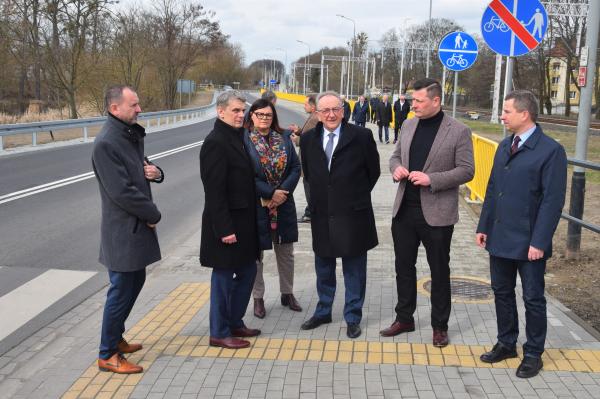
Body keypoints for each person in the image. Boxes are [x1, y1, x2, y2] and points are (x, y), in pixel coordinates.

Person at [476, 90, 567, 379]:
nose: (501, 115)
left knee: (532, 298)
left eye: (506, 111)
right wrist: (483, 225)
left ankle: (533, 353)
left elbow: (553, 202)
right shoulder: (505, 145)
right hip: (500, 235)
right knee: (501, 292)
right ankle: (506, 343)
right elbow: (493, 190)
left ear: (524, 114)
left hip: (530, 242)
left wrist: (539, 242)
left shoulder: (551, 150)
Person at [384, 78, 474, 348]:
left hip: (437, 214)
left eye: (418, 101)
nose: (413, 105)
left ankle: (439, 327)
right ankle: (404, 318)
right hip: (404, 211)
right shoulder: (408, 124)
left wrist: (431, 179)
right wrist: (396, 169)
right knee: (403, 267)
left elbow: (467, 170)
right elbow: (394, 156)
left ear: (436, 101)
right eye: (412, 100)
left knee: (439, 271)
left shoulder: (458, 131)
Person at [92, 85, 164, 374]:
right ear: (115, 108)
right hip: (122, 229)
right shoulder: (107, 143)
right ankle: (107, 354)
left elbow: (139, 171)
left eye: (138, 103)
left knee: (135, 282)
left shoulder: (129, 135)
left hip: (135, 226)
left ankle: (116, 338)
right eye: (133, 105)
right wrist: (153, 213)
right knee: (121, 288)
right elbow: (121, 191)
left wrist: (156, 173)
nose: (139, 109)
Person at [299, 91, 380, 339]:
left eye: (336, 109)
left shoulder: (361, 136)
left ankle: (353, 316)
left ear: (343, 110)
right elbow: (310, 176)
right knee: (324, 267)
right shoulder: (308, 139)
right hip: (322, 215)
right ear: (318, 114)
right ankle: (324, 311)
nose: (331, 114)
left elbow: (373, 172)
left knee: (354, 269)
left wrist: (352, 196)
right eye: (325, 111)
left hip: (353, 214)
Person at [200, 90, 261, 349]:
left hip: (245, 221)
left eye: (242, 110)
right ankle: (219, 332)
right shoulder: (215, 142)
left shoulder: (237, 137)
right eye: (235, 110)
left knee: (248, 271)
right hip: (225, 225)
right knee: (223, 278)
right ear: (220, 111)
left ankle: (235, 321)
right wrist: (224, 229)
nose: (240, 115)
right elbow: (214, 191)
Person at [243, 99, 302, 319]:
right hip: (257, 205)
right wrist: (269, 193)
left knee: (286, 252)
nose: (265, 118)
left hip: (284, 203)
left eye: (268, 115)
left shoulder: (284, 138)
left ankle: (287, 293)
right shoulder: (245, 139)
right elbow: (246, 174)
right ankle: (258, 298)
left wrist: (282, 192)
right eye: (260, 114)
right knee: (256, 254)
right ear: (252, 116)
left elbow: (296, 168)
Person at [289, 95, 319, 224]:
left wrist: (297, 139)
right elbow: (308, 133)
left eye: (306, 104)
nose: (304, 106)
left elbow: (313, 140)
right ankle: (310, 211)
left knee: (309, 188)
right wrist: (299, 131)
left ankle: (312, 213)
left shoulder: (314, 119)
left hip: (309, 161)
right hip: (309, 160)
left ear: (313, 107)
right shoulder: (312, 117)